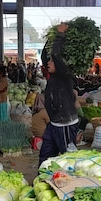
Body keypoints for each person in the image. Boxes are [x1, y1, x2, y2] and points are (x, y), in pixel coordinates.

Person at [39, 23, 79, 166]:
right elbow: (45, 57)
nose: (48, 63)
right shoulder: (53, 76)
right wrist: (50, 39)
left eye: (51, 61)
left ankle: (71, 184)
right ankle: (42, 180)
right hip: (54, 123)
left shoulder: (64, 74)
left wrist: (61, 35)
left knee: (69, 157)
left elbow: (55, 55)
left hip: (65, 124)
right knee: (45, 155)